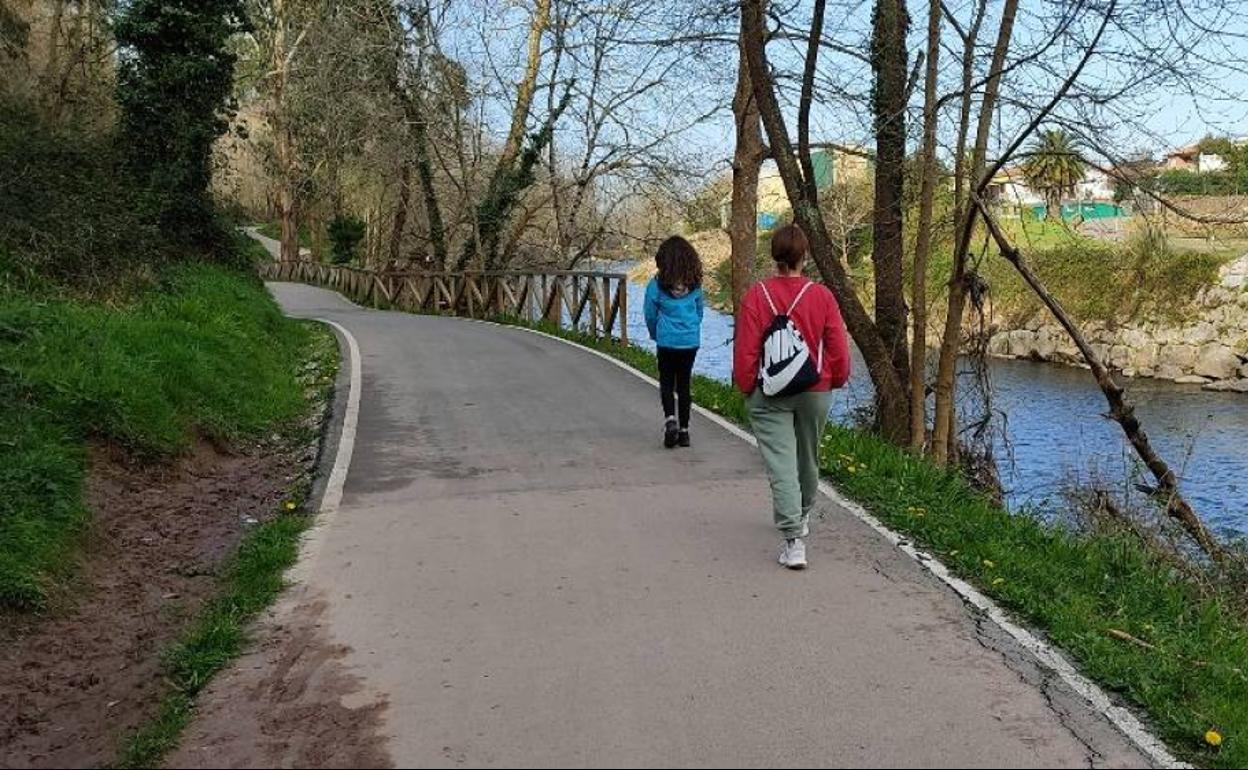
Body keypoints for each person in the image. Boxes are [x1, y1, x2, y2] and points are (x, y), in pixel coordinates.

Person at [732, 224, 851, 570]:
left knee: (781, 463)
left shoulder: (757, 295)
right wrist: (836, 380)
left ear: (775, 256)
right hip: (815, 389)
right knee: (808, 458)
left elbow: (746, 350)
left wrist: (745, 386)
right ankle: (802, 515)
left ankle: (793, 540)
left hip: (769, 393)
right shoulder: (822, 296)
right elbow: (838, 348)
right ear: (805, 256)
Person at [644, 235, 705, 448]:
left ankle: (671, 420)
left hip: (667, 340)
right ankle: (685, 432)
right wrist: (691, 328)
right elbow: (699, 312)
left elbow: (650, 314)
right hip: (689, 341)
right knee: (685, 384)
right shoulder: (696, 285)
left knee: (667, 382)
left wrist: (655, 333)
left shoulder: (656, 285)